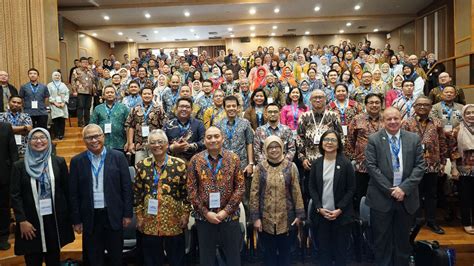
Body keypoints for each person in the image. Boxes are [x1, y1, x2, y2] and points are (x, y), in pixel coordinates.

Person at [365, 107, 425, 266]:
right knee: (381, 240)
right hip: (381, 198)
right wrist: (391, 190)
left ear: (401, 119)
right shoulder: (374, 139)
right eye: (388, 119)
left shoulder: (413, 139)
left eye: (396, 118)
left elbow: (420, 167)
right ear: (383, 121)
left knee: (403, 240)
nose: (392, 122)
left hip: (407, 198)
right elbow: (371, 167)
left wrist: (403, 189)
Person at [69, 124, 133, 266]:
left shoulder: (118, 157)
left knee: (116, 257)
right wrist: (76, 220)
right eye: (89, 137)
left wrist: (127, 214)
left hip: (114, 215)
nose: (94, 140)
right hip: (90, 217)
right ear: (84, 140)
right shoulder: (77, 161)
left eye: (97, 136)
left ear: (103, 136)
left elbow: (127, 187)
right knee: (93, 257)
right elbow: (73, 193)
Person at [10, 128, 74, 264]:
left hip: (54, 219)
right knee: (33, 259)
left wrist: (72, 218)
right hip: (30, 222)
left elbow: (67, 191)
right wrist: (21, 220)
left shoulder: (59, 162)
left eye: (43, 137)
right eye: (34, 138)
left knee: (54, 259)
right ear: (28, 141)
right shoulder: (19, 166)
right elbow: (15, 195)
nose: (39, 141)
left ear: (49, 140)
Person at [187, 126, 245, 266]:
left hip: (230, 216)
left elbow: (240, 188)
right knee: (206, 258)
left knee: (232, 257)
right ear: (204, 140)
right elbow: (191, 190)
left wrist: (225, 212)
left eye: (216, 136)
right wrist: (206, 213)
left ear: (222, 138)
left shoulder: (233, 159)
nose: (213, 140)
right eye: (209, 137)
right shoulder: (195, 160)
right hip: (204, 217)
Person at [133, 129, 190, 266]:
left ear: (166, 144)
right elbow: (137, 194)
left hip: (174, 219)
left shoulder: (179, 165)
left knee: (177, 259)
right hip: (150, 221)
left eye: (160, 142)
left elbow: (186, 193)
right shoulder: (141, 166)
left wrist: (186, 214)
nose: (156, 145)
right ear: (148, 145)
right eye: (153, 142)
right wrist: (139, 216)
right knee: (151, 259)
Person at [250, 136, 305, 266]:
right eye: (270, 147)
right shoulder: (260, 167)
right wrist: (255, 218)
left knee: (286, 256)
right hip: (265, 219)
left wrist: (299, 216)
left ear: (282, 148)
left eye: (276, 147)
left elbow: (297, 191)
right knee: (268, 256)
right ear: (265, 150)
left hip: (287, 219)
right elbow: (254, 193)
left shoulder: (290, 167)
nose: (274, 150)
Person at [308, 130, 355, 266]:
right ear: (321, 143)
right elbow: (312, 187)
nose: (329, 142)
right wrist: (318, 207)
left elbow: (351, 189)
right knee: (324, 252)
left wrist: (340, 209)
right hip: (321, 215)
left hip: (341, 216)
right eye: (326, 139)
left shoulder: (345, 164)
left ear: (339, 144)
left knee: (341, 253)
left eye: (333, 140)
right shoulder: (316, 163)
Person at [402, 96, 447, 234]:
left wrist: (443, 161)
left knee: (431, 194)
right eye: (419, 105)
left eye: (426, 105)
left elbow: (442, 142)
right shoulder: (406, 123)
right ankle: (415, 221)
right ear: (414, 107)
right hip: (413, 166)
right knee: (414, 194)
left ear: (431, 107)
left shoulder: (437, 122)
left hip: (432, 164)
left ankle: (431, 221)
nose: (422, 107)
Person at [217, 95, 255, 212]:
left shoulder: (245, 123)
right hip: (224, 166)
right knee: (225, 196)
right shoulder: (219, 125)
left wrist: (250, 163)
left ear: (238, 107)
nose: (231, 108)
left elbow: (249, 143)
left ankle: (247, 226)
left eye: (234, 106)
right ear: (224, 108)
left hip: (242, 166)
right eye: (228, 106)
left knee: (245, 198)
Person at [347, 93, 384, 209]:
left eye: (377, 102)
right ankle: (360, 220)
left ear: (381, 104)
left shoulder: (387, 119)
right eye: (371, 102)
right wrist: (358, 154)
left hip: (382, 165)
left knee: (381, 194)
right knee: (361, 193)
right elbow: (350, 140)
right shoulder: (357, 119)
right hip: (362, 164)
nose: (374, 105)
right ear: (366, 105)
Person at [126, 86, 168, 164]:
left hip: (156, 145)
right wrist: (130, 143)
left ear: (152, 95)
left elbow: (164, 126)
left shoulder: (159, 109)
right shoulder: (135, 109)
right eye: (144, 94)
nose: (147, 96)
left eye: (149, 94)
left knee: (156, 168)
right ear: (141, 95)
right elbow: (131, 126)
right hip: (139, 146)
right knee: (139, 168)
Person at [450, 104, 474, 234]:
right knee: (466, 197)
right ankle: (467, 223)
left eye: (473, 113)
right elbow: (453, 150)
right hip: (464, 168)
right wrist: (454, 168)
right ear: (463, 115)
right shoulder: (457, 129)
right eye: (468, 113)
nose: (471, 115)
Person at [164, 97, 205, 162]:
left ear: (191, 110)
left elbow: (204, 141)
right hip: (171, 162)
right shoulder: (168, 125)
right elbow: (162, 143)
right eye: (181, 106)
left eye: (187, 107)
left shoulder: (199, 124)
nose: (184, 109)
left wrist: (190, 146)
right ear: (176, 109)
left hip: (194, 161)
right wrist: (172, 147)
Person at [90, 85, 130, 152]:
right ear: (103, 95)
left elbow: (129, 125)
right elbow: (92, 126)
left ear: (116, 94)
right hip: (102, 144)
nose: (110, 94)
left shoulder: (123, 108)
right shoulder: (98, 108)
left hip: (120, 144)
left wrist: (128, 142)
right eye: (107, 92)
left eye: (112, 92)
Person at [0, 122, 18, 250]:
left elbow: (13, 153)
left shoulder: (5, 127)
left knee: (3, 208)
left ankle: (2, 237)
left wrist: (14, 175)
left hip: (3, 176)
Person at [72, 57, 96, 127]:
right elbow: (73, 81)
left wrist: (93, 91)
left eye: (86, 62)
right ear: (80, 63)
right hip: (80, 91)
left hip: (89, 92)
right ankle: (80, 123)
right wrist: (74, 90)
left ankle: (87, 122)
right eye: (83, 62)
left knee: (88, 107)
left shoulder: (89, 70)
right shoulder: (76, 70)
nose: (85, 63)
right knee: (80, 107)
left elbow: (93, 80)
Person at [47, 71, 69, 140]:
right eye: (55, 75)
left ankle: (61, 135)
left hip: (62, 105)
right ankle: (56, 135)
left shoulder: (63, 85)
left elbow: (67, 94)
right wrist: (54, 102)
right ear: (52, 76)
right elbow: (48, 95)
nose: (57, 77)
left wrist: (64, 102)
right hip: (54, 105)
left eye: (58, 75)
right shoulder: (49, 85)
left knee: (62, 120)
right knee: (56, 120)